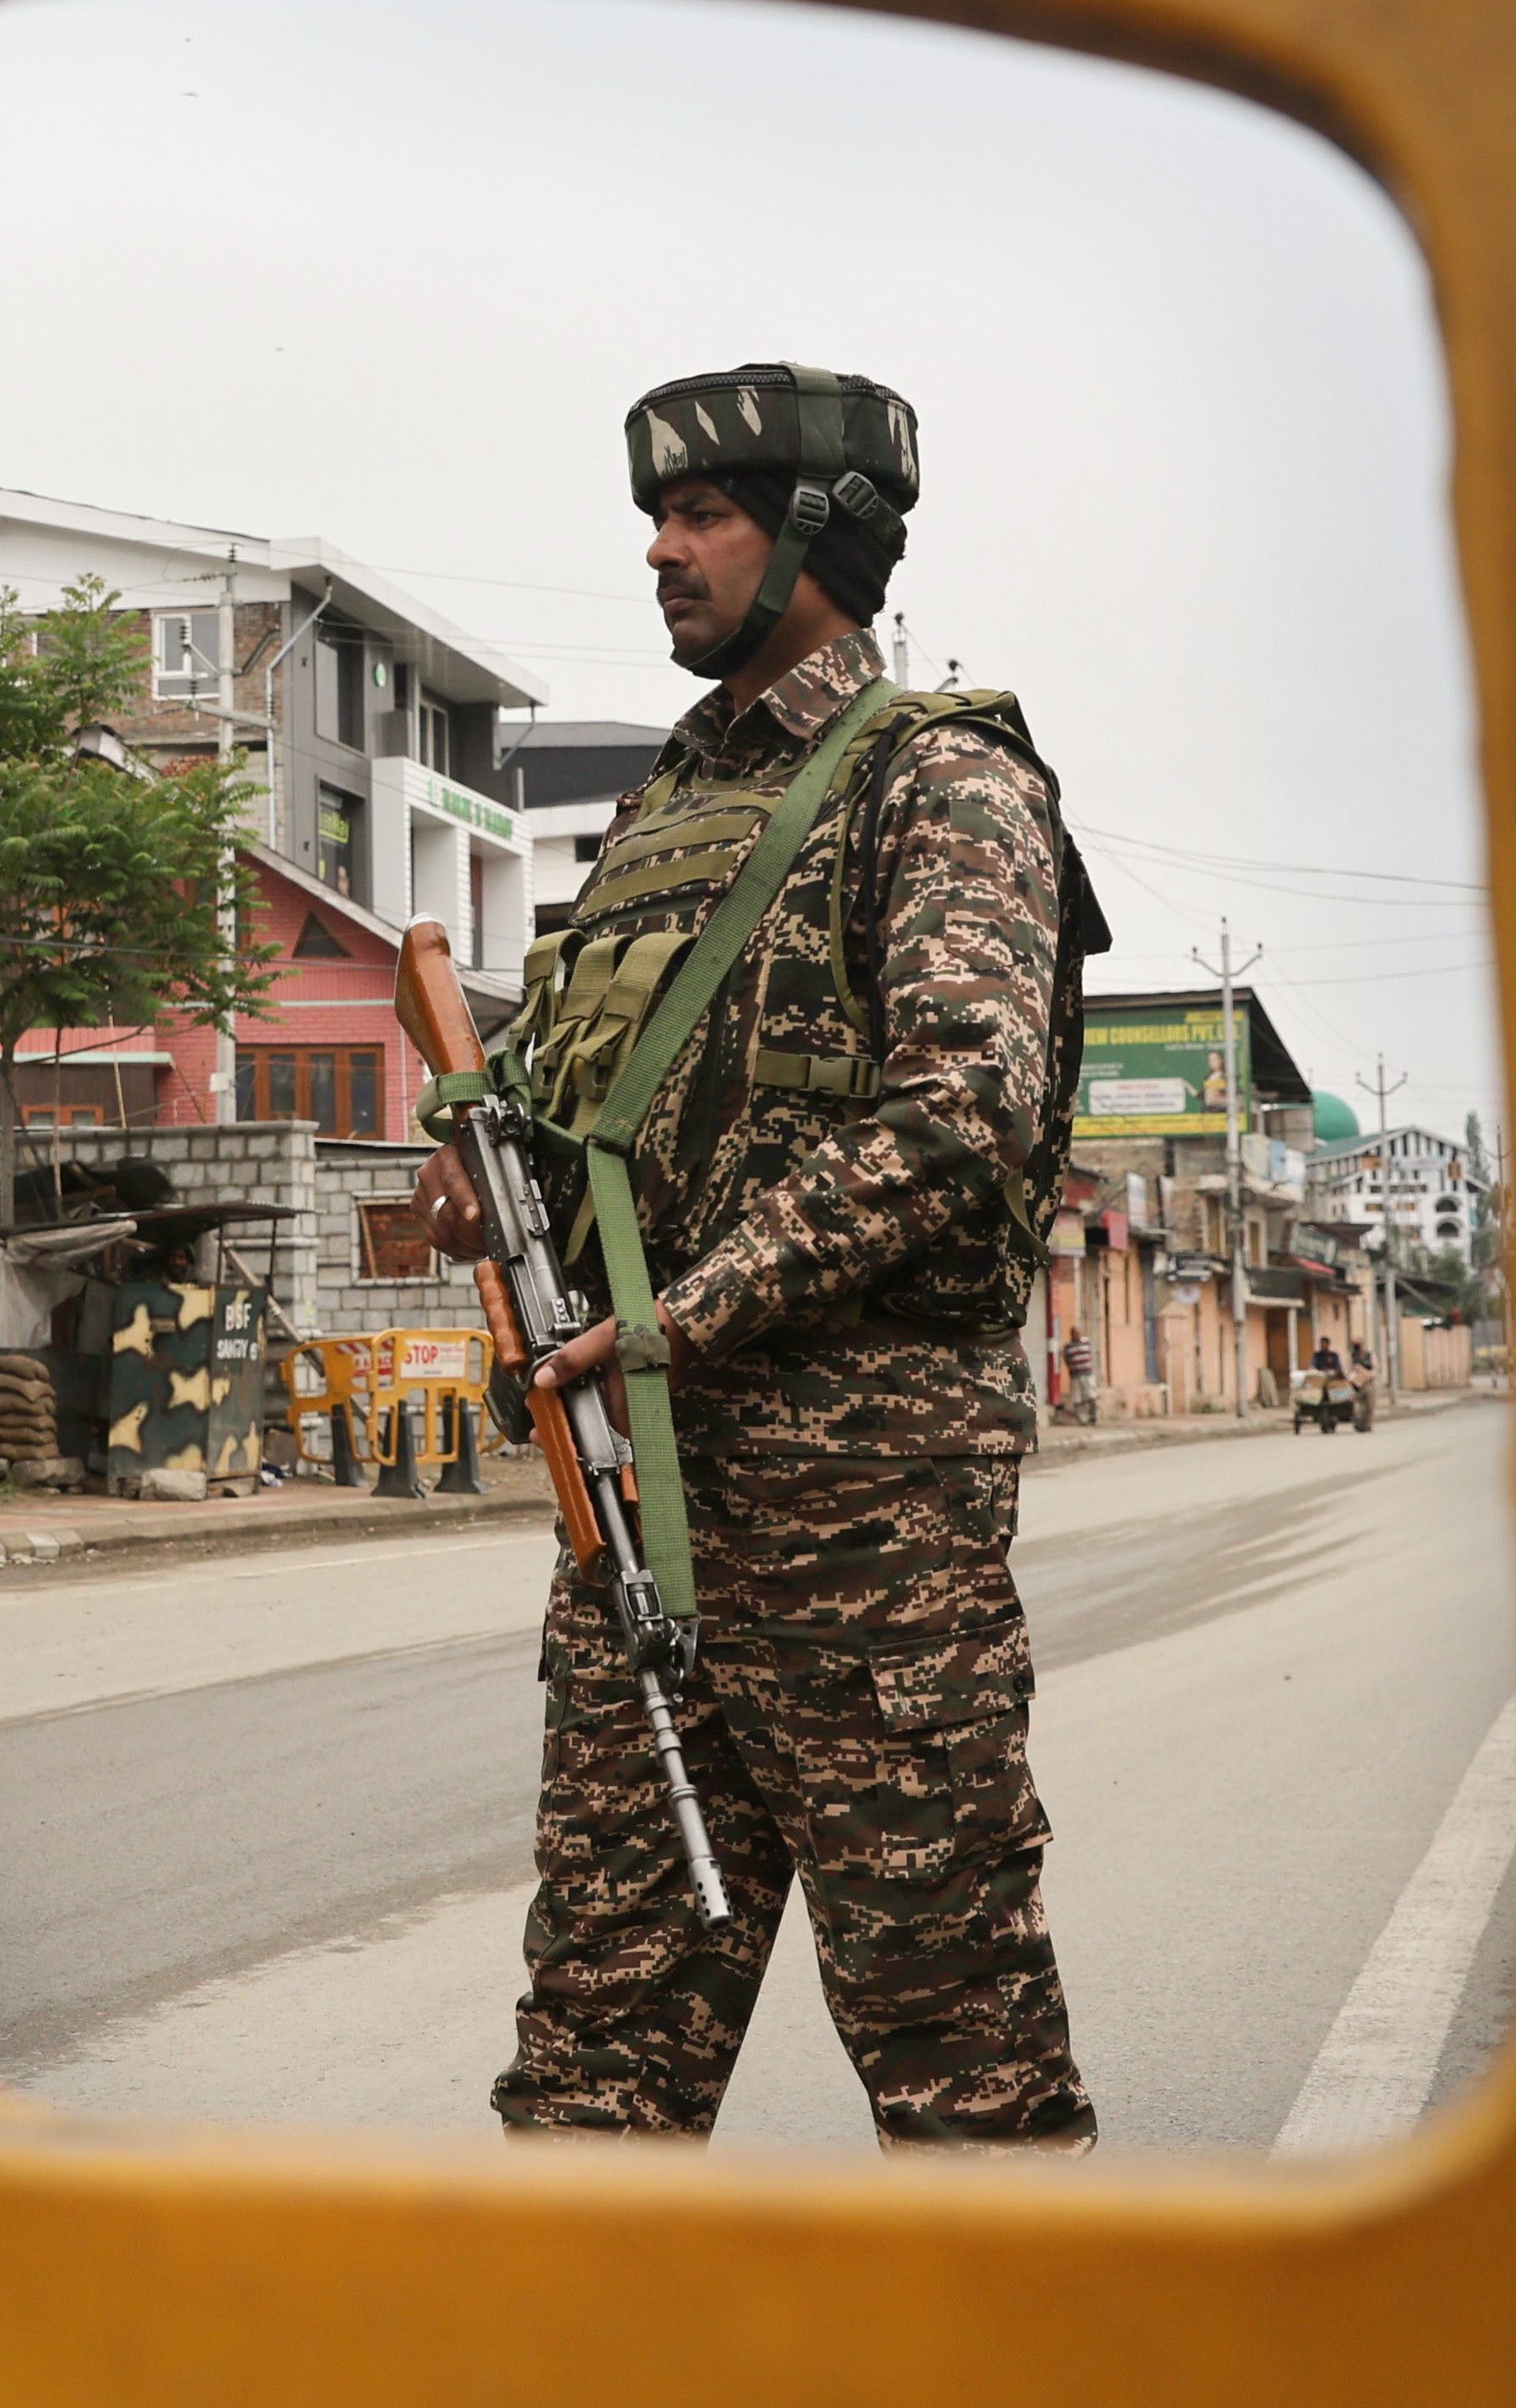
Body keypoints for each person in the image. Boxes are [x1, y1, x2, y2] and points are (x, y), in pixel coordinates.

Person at [417, 362, 1108, 2150]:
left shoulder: (938, 781)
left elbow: (963, 1120)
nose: (659, 552)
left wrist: (669, 1320)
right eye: (656, 517)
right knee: (591, 2063)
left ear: (820, 534)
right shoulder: (658, 820)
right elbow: (595, 1119)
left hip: (868, 1540)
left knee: (960, 2064)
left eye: (701, 515)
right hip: (639, 1528)